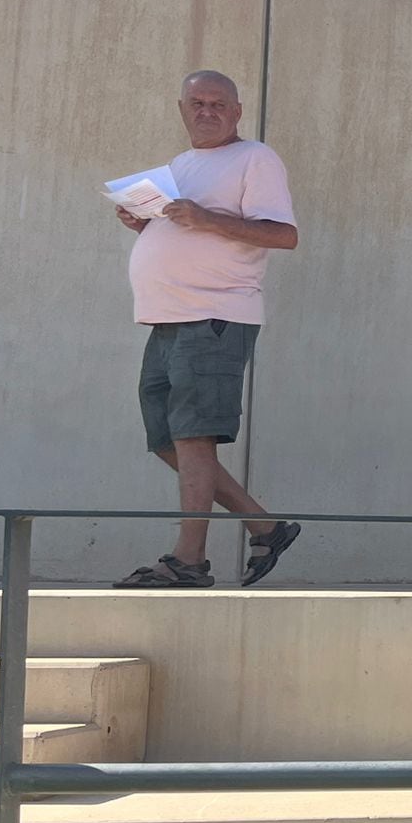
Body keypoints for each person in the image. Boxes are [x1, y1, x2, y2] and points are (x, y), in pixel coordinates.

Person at [111, 70, 303, 589]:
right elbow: (186, 224)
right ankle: (264, 526)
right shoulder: (181, 165)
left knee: (193, 437)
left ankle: (188, 561)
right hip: (167, 318)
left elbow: (283, 235)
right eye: (197, 103)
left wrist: (205, 218)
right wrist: (146, 222)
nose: (207, 111)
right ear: (181, 109)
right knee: (166, 438)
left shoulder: (255, 158)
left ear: (237, 111)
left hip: (215, 315)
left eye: (218, 103)